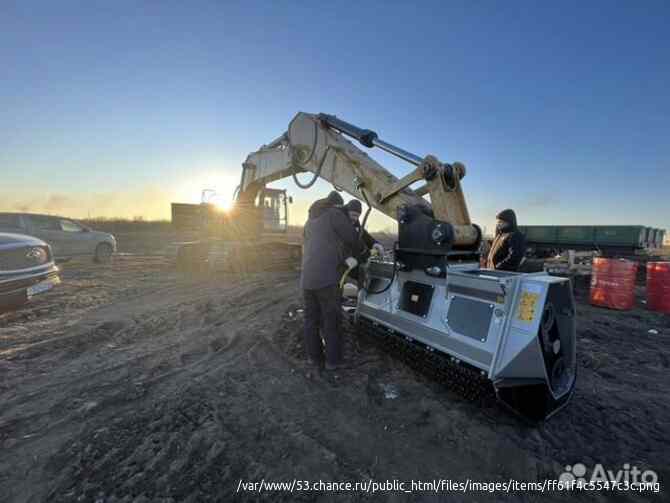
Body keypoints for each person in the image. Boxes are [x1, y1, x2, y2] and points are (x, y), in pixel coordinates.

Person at [301, 191, 359, 371]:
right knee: (331, 321)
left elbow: (318, 244)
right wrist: (360, 255)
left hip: (307, 280)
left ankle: (314, 358)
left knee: (311, 321)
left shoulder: (309, 220)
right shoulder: (334, 213)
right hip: (327, 281)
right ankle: (333, 362)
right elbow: (352, 237)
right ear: (336, 205)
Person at [343, 199, 384, 268]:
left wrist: (374, 243)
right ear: (347, 212)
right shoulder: (339, 223)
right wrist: (345, 257)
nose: (355, 218)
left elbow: (363, 234)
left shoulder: (354, 222)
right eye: (353, 215)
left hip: (352, 262)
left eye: (357, 216)